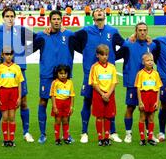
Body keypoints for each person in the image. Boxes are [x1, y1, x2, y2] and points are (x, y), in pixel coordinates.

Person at [0, 7, 36, 144]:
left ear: (15, 17)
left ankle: (26, 132)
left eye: (12, 16)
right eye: (7, 16)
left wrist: (47, 32)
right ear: (3, 17)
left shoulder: (21, 30)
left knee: (23, 102)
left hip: (19, 70)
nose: (10, 18)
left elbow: (38, 37)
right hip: (1, 72)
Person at [72, 8, 124, 144]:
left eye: (101, 11)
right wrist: (85, 52)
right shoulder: (85, 31)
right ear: (93, 16)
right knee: (87, 101)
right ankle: (84, 132)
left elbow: (125, 46)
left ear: (104, 15)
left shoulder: (112, 31)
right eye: (97, 11)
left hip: (108, 75)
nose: (99, 12)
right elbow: (72, 40)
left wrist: (113, 57)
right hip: (91, 73)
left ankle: (112, 132)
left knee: (109, 103)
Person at [33, 10, 74, 144]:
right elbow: (28, 49)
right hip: (47, 74)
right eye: (54, 19)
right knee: (43, 102)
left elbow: (84, 44)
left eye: (58, 19)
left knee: (66, 105)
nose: (56, 21)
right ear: (49, 21)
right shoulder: (42, 35)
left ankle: (66, 135)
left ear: (62, 21)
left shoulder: (68, 35)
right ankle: (43, 134)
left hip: (64, 76)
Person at [119, 22, 156, 143]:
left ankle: (149, 133)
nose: (142, 32)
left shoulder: (152, 45)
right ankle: (128, 133)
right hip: (132, 81)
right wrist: (127, 38)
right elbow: (118, 53)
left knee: (148, 109)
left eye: (145, 30)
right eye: (140, 30)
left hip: (148, 84)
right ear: (136, 31)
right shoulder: (129, 43)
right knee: (130, 107)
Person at [0, 47, 24, 147]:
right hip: (3, 93)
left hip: (13, 92)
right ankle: (5, 139)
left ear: (13, 55)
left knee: (12, 117)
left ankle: (11, 139)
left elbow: (19, 84)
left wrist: (19, 97)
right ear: (2, 55)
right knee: (5, 117)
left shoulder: (17, 68)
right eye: (6, 54)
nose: (9, 56)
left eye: (10, 54)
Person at [88, 44, 118, 147]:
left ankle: (106, 137)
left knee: (108, 117)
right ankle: (100, 138)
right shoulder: (94, 67)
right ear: (97, 55)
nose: (105, 57)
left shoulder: (112, 67)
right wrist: (102, 94)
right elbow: (94, 83)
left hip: (110, 94)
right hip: (98, 94)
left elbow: (114, 82)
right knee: (99, 117)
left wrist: (108, 93)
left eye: (106, 55)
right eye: (102, 55)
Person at [134, 53, 162, 146]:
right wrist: (140, 101)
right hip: (144, 96)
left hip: (153, 97)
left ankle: (150, 138)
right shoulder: (140, 74)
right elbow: (138, 88)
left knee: (151, 118)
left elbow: (158, 88)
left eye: (151, 60)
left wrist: (157, 101)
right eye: (147, 60)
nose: (150, 62)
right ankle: (142, 138)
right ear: (143, 62)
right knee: (142, 117)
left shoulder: (156, 74)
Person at [50, 64, 75, 145]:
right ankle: (57, 139)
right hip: (58, 103)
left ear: (68, 74)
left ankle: (66, 137)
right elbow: (53, 95)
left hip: (66, 104)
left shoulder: (70, 83)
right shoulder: (55, 83)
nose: (63, 75)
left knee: (65, 121)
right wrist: (54, 106)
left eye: (65, 73)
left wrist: (71, 107)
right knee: (57, 121)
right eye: (61, 73)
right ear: (57, 74)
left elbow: (72, 95)